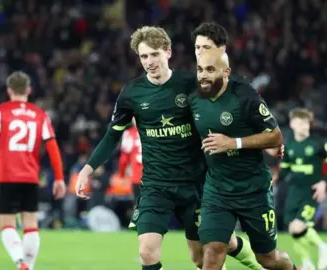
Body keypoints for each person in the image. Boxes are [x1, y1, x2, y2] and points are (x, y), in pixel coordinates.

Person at [75, 26, 262, 270]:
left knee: (205, 253)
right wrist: (88, 169)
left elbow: (224, 111)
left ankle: (259, 265)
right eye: (144, 56)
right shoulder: (132, 93)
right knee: (146, 251)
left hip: (196, 183)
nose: (149, 62)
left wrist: (250, 141)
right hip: (155, 185)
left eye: (154, 54)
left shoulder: (190, 83)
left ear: (168, 52)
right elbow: (113, 136)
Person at [189, 49, 297, 270]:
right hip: (217, 189)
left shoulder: (245, 96)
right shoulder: (193, 100)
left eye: (210, 69)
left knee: (268, 259)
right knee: (212, 251)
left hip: (253, 189)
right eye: (200, 70)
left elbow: (275, 136)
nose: (203, 75)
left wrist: (233, 142)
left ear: (226, 72)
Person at [191, 21, 267, 270]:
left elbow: (271, 133)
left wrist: (244, 142)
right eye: (197, 47)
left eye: (206, 47)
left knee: (268, 258)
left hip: (248, 184)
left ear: (222, 50)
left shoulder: (243, 92)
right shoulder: (190, 90)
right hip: (210, 183)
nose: (200, 52)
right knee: (209, 251)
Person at [0, 71, 66, 270]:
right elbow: (52, 147)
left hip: (6, 176)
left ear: (9, 90)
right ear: (29, 90)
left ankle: (20, 262)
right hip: (31, 177)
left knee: (7, 224)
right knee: (30, 224)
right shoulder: (40, 114)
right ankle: (28, 266)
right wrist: (59, 177)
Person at [277, 108, 327, 270]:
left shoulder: (318, 143)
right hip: (293, 192)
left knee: (298, 226)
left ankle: (322, 246)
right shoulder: (288, 145)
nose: (305, 127)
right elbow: (285, 170)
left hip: (310, 193)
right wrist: (273, 179)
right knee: (292, 230)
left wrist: (323, 183)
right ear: (292, 124)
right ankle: (306, 263)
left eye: (306, 124)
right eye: (301, 123)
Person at [118, 118, 142, 201]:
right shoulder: (153, 131)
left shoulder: (128, 134)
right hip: (153, 175)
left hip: (137, 176)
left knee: (138, 205)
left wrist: (121, 174)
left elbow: (123, 159)